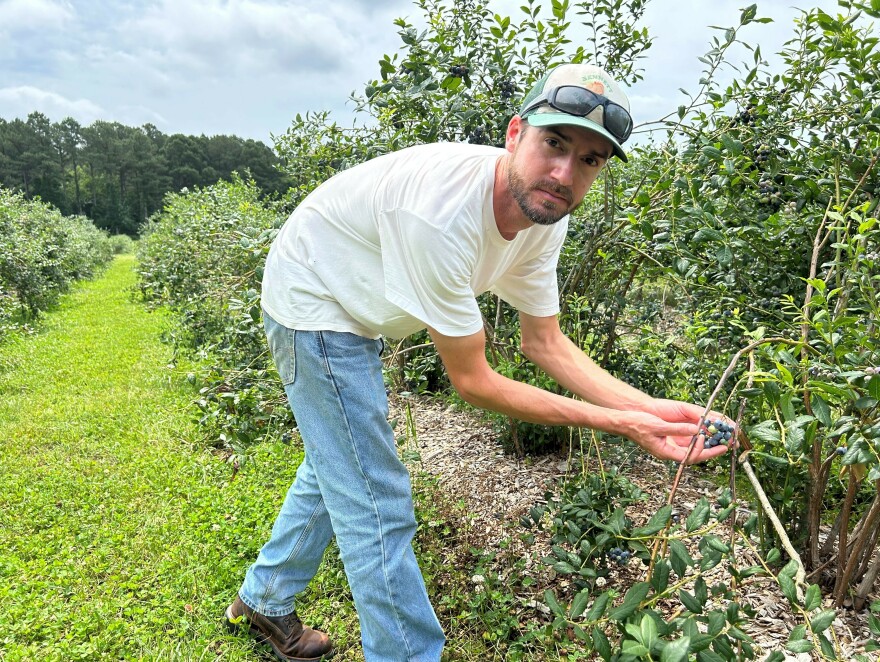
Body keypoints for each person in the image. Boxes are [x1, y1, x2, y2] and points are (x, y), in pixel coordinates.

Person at [224, 63, 730, 662]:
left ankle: (265, 597)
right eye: (555, 144)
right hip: (315, 299)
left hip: (362, 302)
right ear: (515, 134)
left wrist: (657, 410)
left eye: (589, 160)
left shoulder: (545, 215)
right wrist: (627, 425)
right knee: (375, 499)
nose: (565, 173)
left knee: (342, 461)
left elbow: (546, 344)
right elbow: (474, 381)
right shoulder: (441, 214)